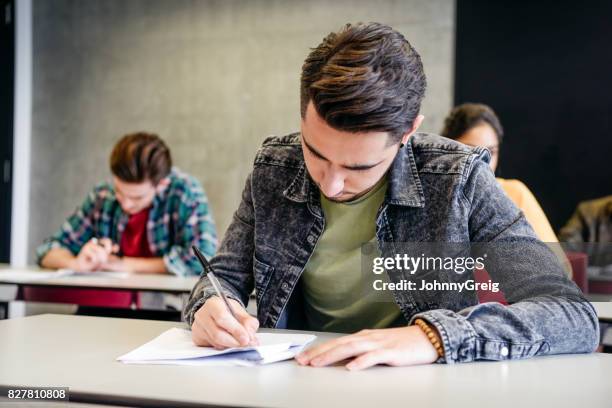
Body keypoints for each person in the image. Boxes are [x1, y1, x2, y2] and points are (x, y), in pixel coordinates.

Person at [184, 23, 598, 370]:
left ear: (409, 131)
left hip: (428, 387)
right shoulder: (274, 168)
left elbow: (570, 315)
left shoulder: (458, 178)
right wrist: (208, 307)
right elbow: (222, 279)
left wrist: (435, 337)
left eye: (358, 167)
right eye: (316, 153)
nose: (330, 185)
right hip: (305, 381)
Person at [37, 132, 217, 276]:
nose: (126, 204)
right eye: (119, 191)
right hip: (103, 306)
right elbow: (48, 250)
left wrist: (123, 264)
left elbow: (203, 258)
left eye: (137, 198)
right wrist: (76, 263)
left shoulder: (185, 191)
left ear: (162, 184)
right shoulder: (103, 195)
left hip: (163, 308)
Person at [440, 103, 559, 243]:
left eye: (491, 152)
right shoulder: (434, 196)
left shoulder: (514, 193)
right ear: (446, 148)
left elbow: (556, 263)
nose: (484, 163)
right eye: (471, 151)